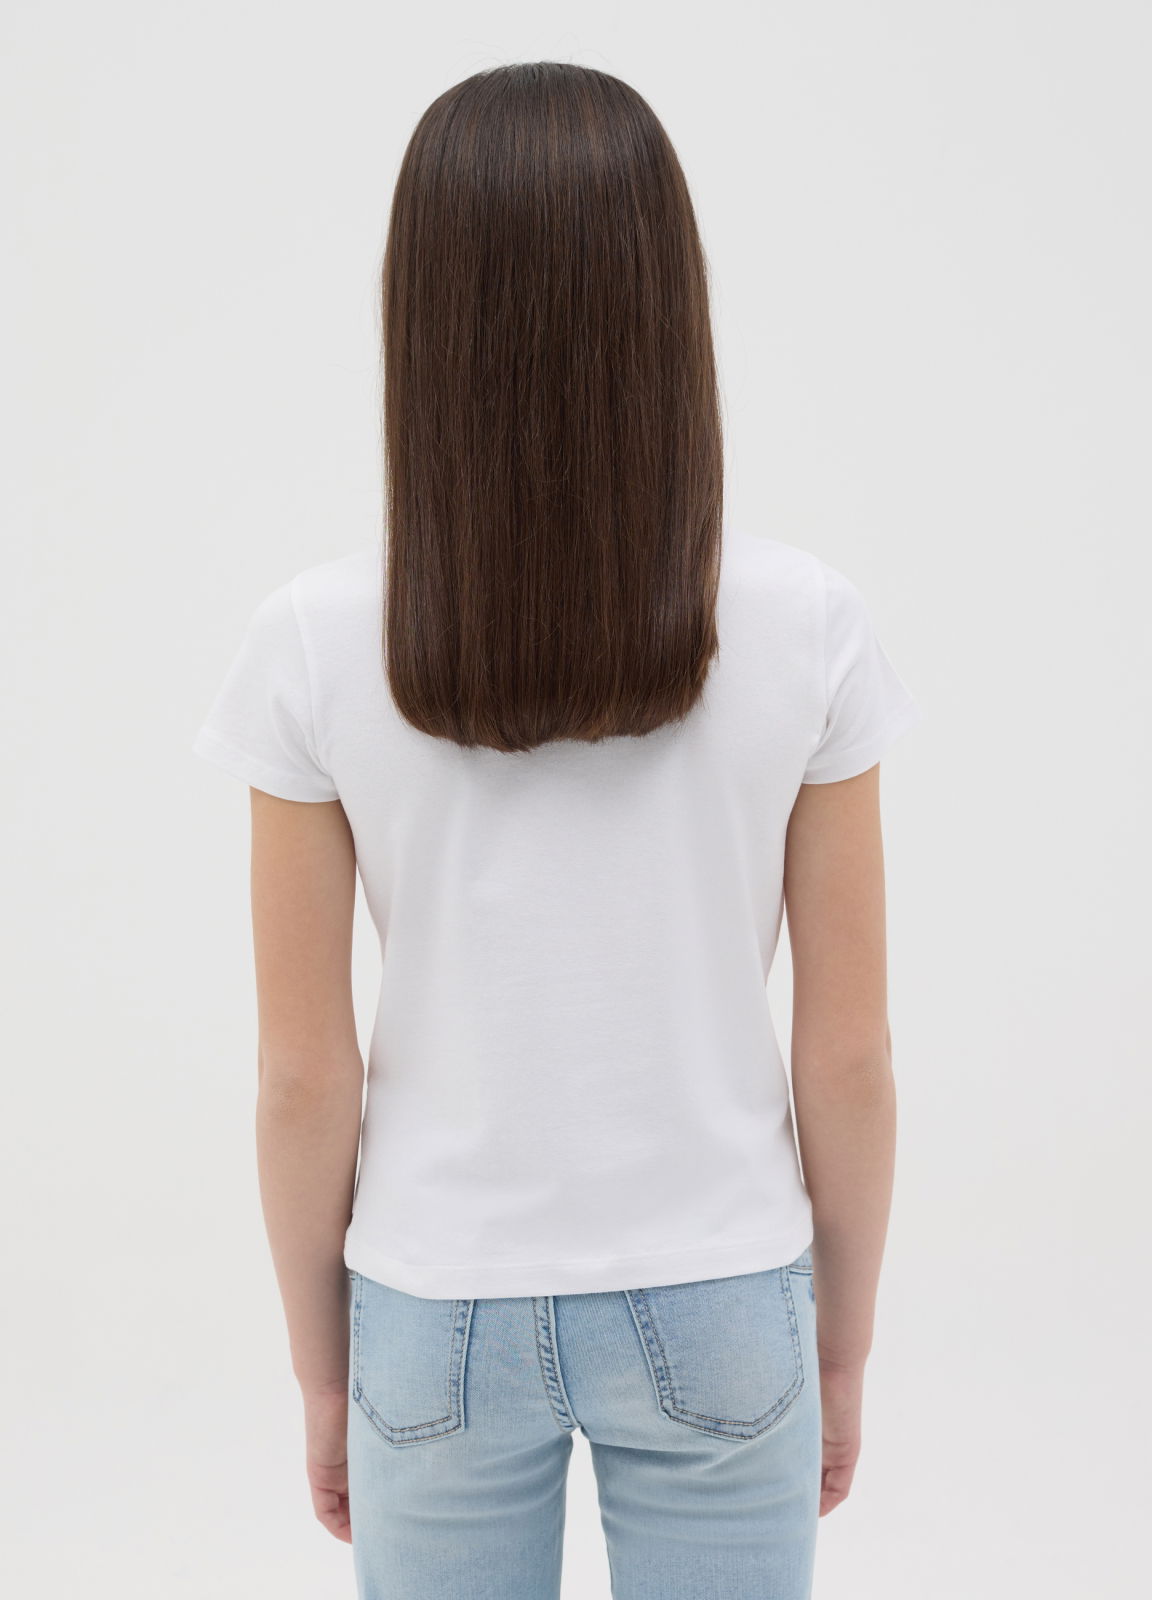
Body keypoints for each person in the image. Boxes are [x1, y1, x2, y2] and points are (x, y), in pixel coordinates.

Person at [192, 60, 922, 1600]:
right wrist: (841, 1342)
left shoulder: (312, 645)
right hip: (726, 1283)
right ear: (669, 301)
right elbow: (848, 1055)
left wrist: (324, 1372)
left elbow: (302, 1074)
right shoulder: (809, 628)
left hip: (431, 1304)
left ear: (423, 319)